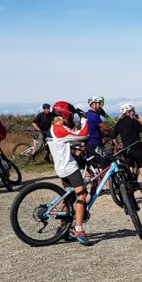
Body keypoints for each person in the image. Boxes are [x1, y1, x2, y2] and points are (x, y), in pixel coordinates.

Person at [46, 101, 93, 245]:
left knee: (69, 198)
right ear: (65, 115)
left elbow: (67, 139)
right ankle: (78, 229)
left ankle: (63, 229)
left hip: (60, 168)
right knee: (82, 195)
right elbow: (84, 134)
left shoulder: (53, 128)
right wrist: (84, 119)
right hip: (70, 168)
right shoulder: (60, 129)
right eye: (70, 116)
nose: (71, 119)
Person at [109, 103, 142, 201]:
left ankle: (130, 195)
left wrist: (118, 145)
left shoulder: (119, 123)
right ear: (128, 112)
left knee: (130, 170)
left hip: (126, 150)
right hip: (136, 148)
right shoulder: (134, 121)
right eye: (133, 110)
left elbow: (112, 136)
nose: (134, 112)